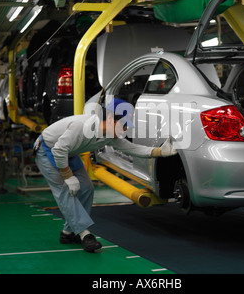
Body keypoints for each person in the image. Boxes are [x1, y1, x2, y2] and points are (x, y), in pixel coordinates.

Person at [34, 98, 177, 252]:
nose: (125, 130)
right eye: (123, 125)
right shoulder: (82, 127)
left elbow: (131, 148)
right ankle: (85, 234)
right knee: (66, 190)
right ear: (110, 119)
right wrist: (68, 176)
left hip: (69, 153)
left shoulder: (110, 135)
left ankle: (68, 233)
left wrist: (159, 152)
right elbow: (58, 150)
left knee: (87, 188)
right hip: (47, 149)